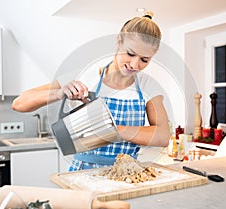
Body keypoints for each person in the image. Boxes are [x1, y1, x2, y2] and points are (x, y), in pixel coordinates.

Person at [12, 11, 170, 171]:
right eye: (130, 54)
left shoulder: (147, 86)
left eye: (144, 60)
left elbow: (162, 136)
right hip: (84, 172)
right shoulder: (85, 75)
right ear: (119, 41)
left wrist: (113, 129)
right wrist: (58, 93)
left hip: (126, 174)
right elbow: (19, 104)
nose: (135, 65)